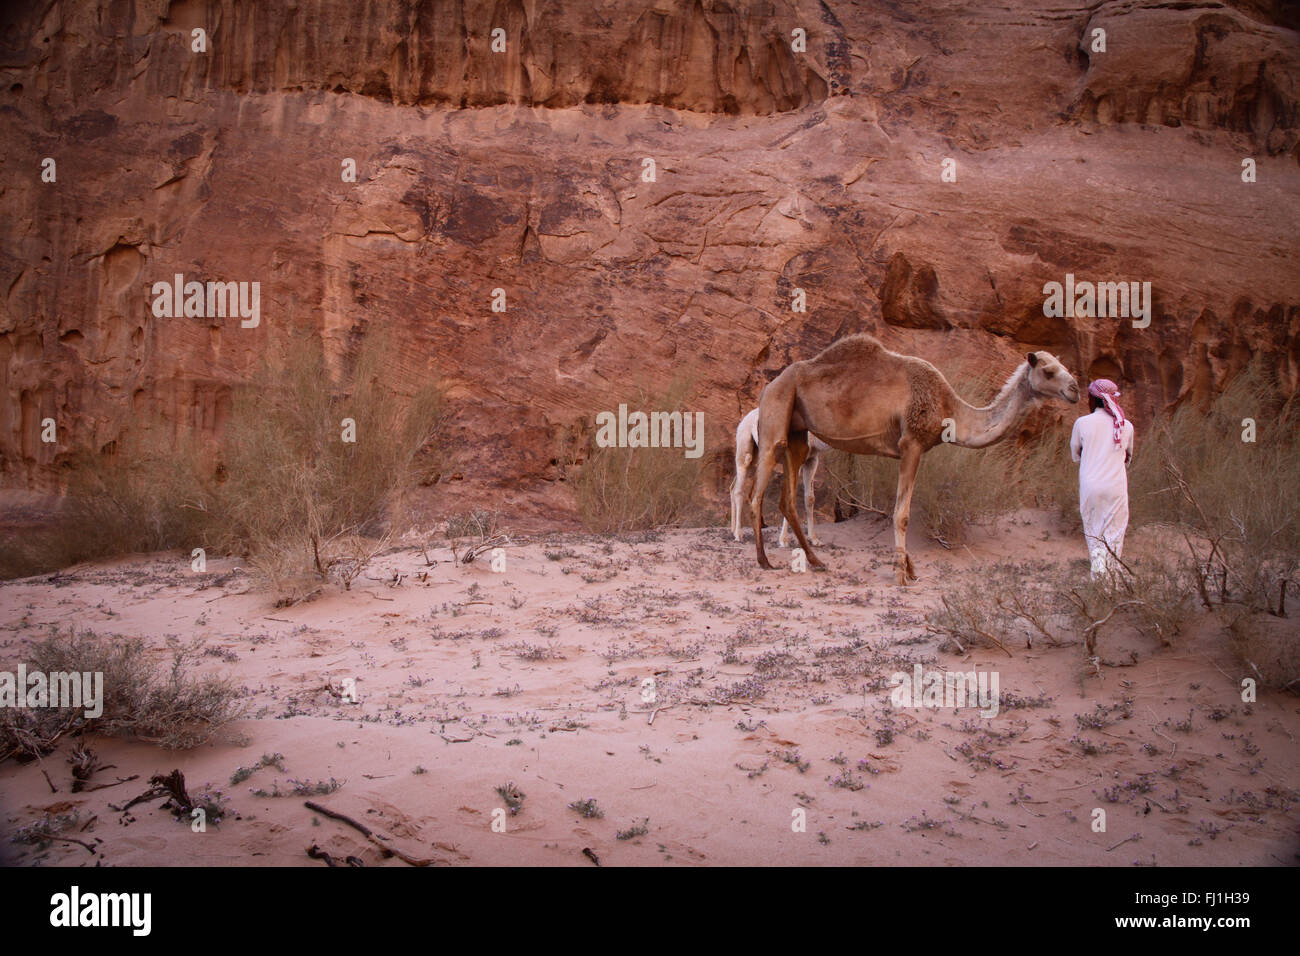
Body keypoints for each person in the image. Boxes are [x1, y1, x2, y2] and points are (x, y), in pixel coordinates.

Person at [1070, 379, 1135, 578]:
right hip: (1116, 487)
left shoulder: (1082, 423)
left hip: (1091, 487)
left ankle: (1099, 581)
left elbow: (1075, 455)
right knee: (1114, 535)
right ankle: (1111, 581)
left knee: (1095, 535)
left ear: (1092, 399)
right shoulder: (1127, 426)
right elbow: (1127, 457)